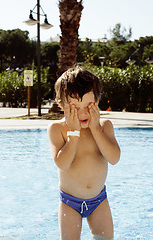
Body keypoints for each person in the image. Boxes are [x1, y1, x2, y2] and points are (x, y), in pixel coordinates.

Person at [48, 66, 121, 240]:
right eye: (75, 107)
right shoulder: (58, 129)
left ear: (97, 101)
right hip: (69, 203)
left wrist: (95, 129)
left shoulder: (104, 126)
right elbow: (62, 164)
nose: (82, 113)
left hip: (99, 200)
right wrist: (74, 133)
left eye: (88, 106)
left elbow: (114, 158)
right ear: (61, 106)